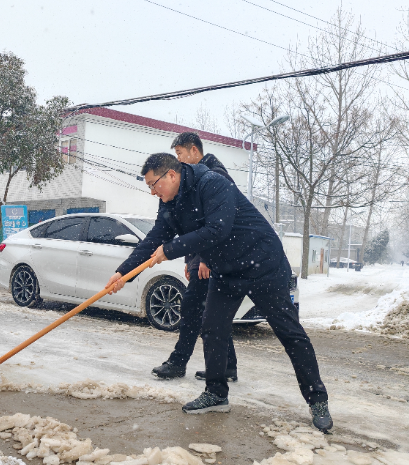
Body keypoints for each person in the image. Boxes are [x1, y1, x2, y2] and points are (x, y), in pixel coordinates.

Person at [107, 153, 332, 432]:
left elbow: (217, 229)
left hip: (263, 264)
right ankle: (216, 392)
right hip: (226, 270)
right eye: (150, 187)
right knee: (213, 328)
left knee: (289, 332)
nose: (153, 192)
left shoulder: (212, 184)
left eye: (154, 185)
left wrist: (171, 250)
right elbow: (155, 238)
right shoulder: (170, 203)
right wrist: (123, 273)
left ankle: (317, 400)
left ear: (171, 175)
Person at [150, 131, 239, 382]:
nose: (178, 161)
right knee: (210, 312)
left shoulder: (214, 175)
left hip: (216, 258)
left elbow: (215, 226)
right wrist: (192, 258)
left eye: (179, 154)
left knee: (193, 308)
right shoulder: (191, 179)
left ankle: (179, 363)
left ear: (194, 151)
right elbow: (190, 225)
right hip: (204, 258)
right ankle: (227, 366)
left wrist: (204, 259)